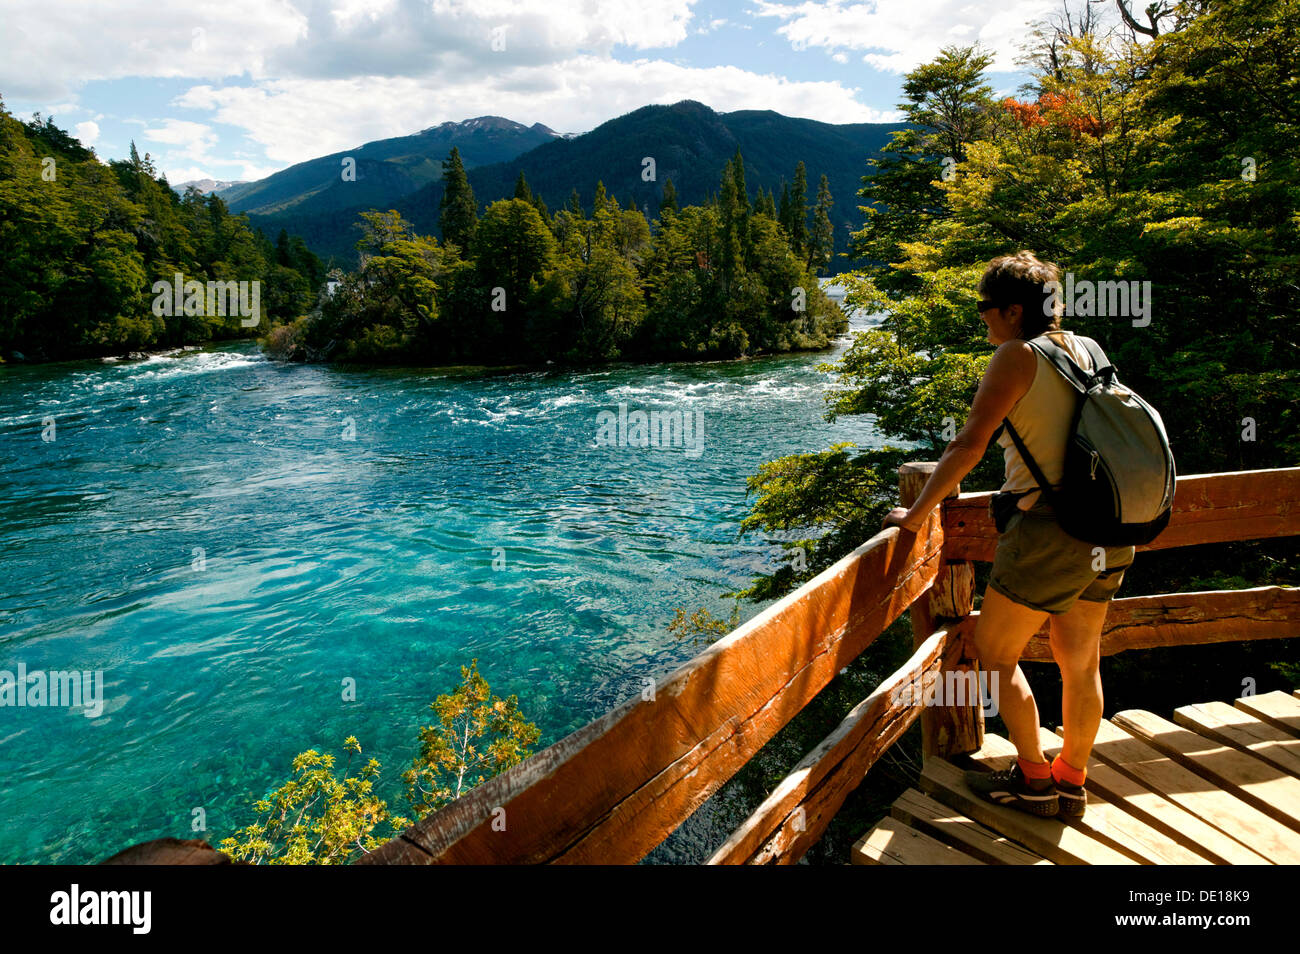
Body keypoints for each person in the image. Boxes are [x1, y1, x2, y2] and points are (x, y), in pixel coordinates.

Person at [881, 251, 1134, 818]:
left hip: (1049, 530)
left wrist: (917, 514)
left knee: (992, 652)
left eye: (984, 308)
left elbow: (968, 444)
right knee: (1081, 661)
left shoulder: (1015, 356)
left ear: (1013, 311)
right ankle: (1072, 777)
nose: (981, 319)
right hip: (1109, 527)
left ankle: (1035, 781)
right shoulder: (1086, 347)